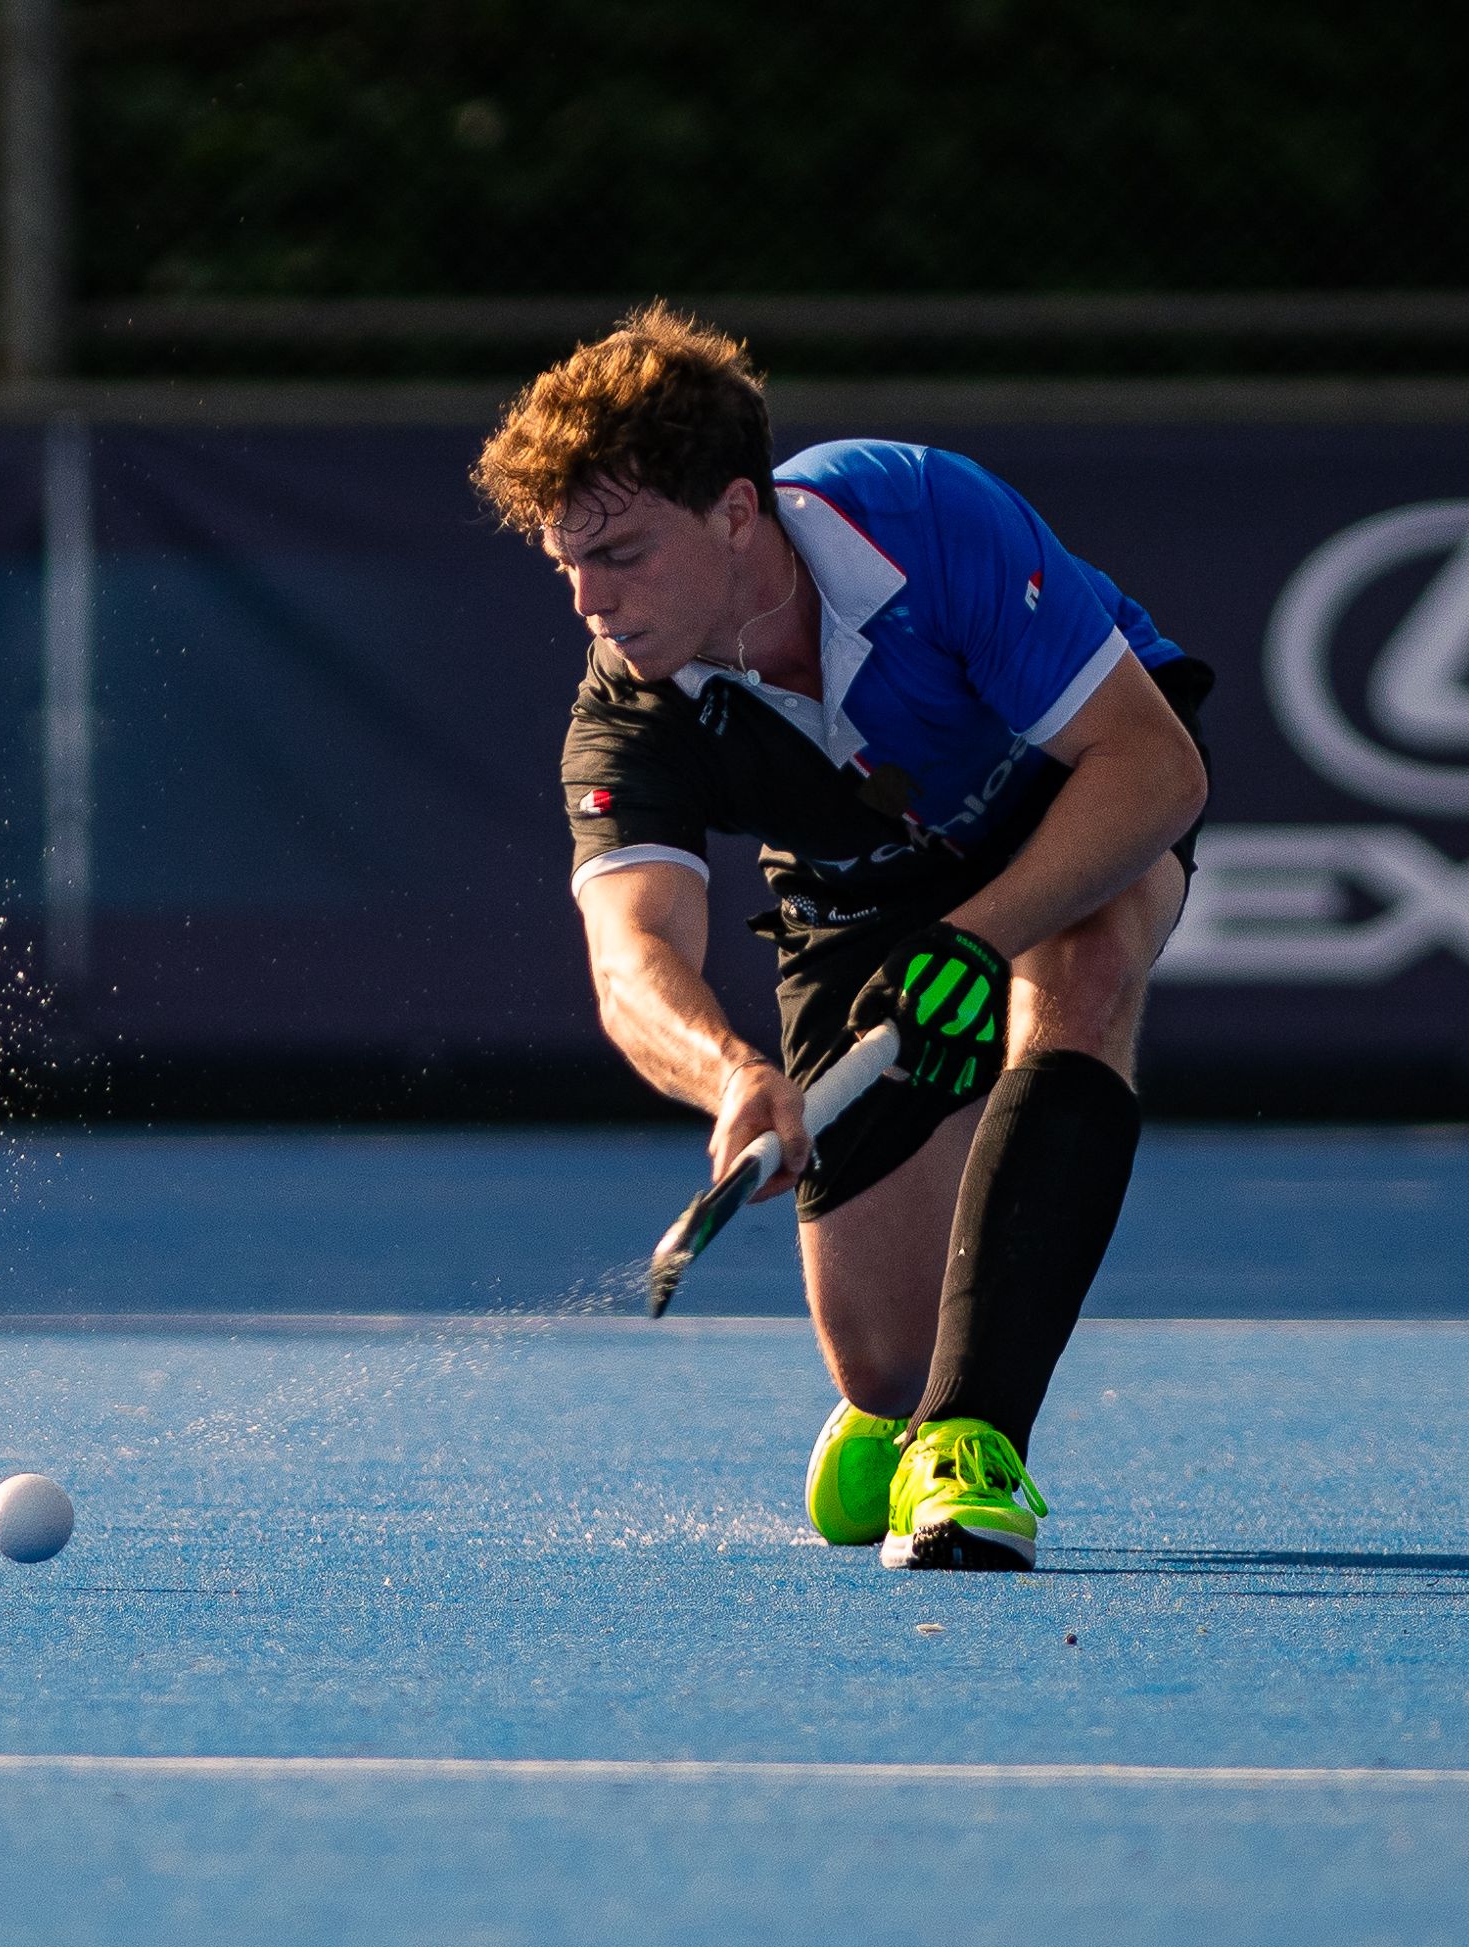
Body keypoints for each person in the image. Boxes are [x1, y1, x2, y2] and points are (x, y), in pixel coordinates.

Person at [472, 305, 1212, 1570]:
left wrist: (977, 938)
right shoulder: (629, 712)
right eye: (567, 567)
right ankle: (915, 1403)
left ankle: (975, 1444)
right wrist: (733, 1073)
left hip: (1065, 797)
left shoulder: (920, 516)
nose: (592, 603)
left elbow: (1155, 773)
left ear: (738, 514)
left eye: (626, 554)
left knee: (1078, 977)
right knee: (884, 1358)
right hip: (856, 891)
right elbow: (630, 955)